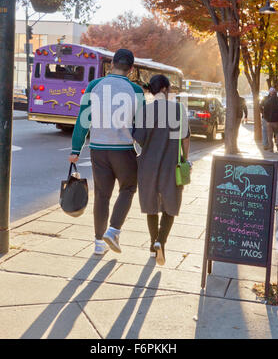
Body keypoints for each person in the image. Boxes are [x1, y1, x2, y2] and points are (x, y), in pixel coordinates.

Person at [69, 49, 144, 255]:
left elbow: (83, 120)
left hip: (99, 150)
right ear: (130, 69)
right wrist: (146, 149)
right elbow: (141, 125)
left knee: (102, 195)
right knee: (128, 189)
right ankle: (114, 230)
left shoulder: (94, 86)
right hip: (124, 150)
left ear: (111, 65)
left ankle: (98, 243)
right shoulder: (136, 91)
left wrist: (76, 149)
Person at [133, 75, 191, 266]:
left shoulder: (145, 111)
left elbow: (138, 139)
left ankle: (152, 246)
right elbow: (185, 138)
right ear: (165, 89)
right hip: (171, 164)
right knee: (170, 205)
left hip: (148, 165)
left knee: (151, 205)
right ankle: (161, 241)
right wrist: (185, 159)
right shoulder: (178, 109)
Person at [263, 88, 278, 152]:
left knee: (270, 135)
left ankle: (271, 148)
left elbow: (265, 112)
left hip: (269, 121)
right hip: (277, 121)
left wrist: (267, 119)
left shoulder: (267, 102)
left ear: (270, 94)